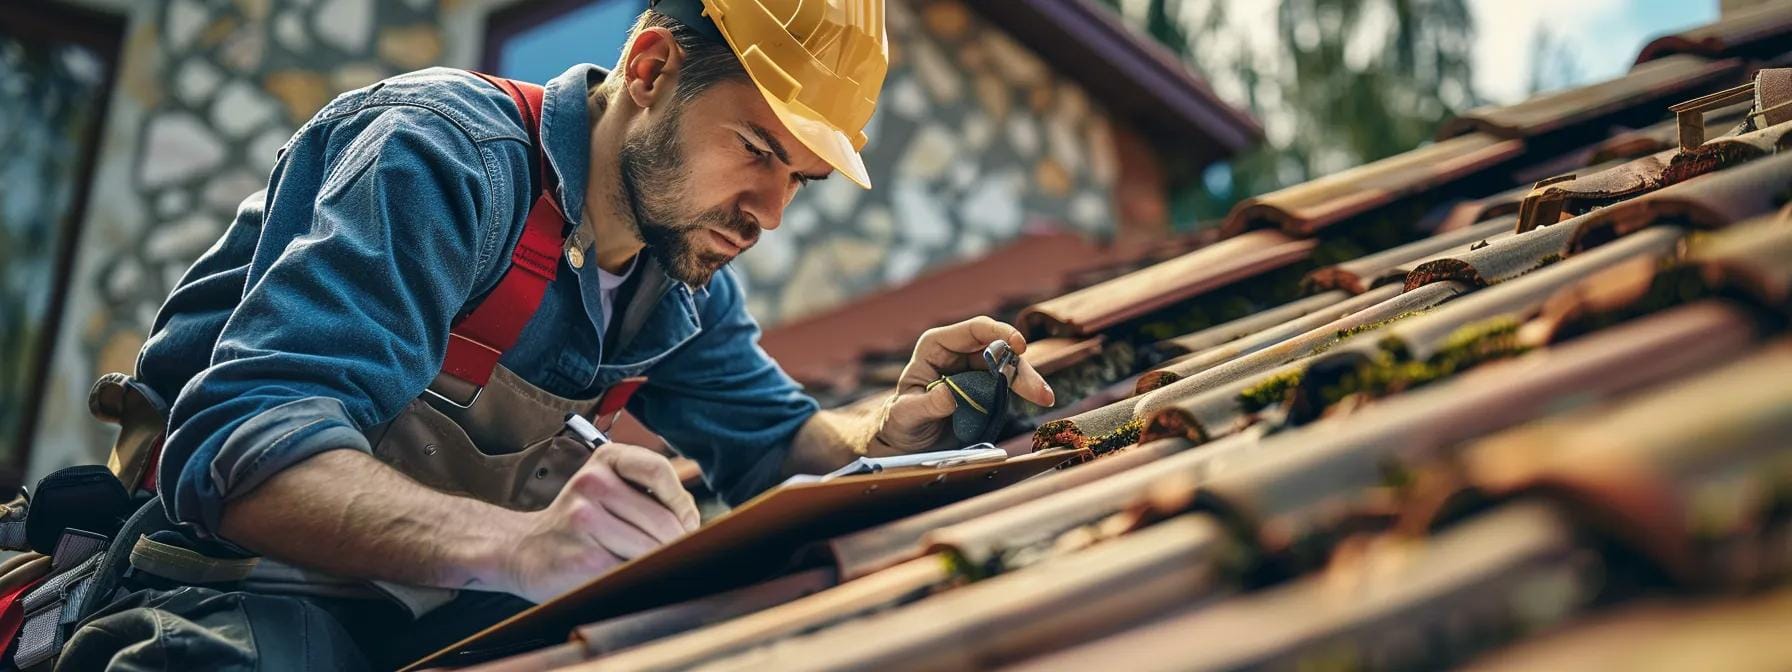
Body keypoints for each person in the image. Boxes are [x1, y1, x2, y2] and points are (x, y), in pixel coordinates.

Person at [49, 0, 1054, 668]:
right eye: (754, 149)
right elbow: (242, 446)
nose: (769, 212)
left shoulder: (679, 280)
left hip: (430, 615)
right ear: (652, 66)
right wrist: (526, 547)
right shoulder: (441, 158)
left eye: (800, 178)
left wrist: (894, 427)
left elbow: (773, 451)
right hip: (231, 593)